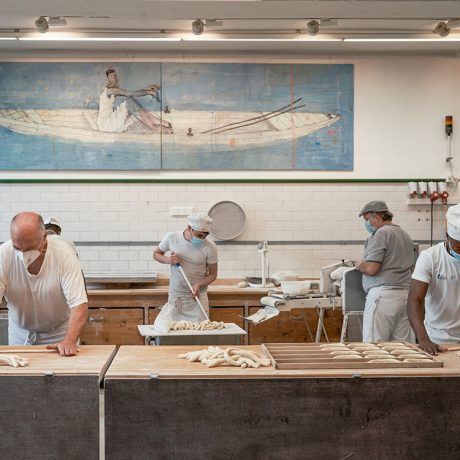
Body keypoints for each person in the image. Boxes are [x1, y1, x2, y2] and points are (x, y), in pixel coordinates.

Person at [0, 212, 88, 356]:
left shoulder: (63, 254)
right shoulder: (3, 255)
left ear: (44, 237)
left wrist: (70, 340)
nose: (23, 255)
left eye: (29, 249)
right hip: (20, 334)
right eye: (17, 248)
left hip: (59, 335)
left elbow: (79, 304)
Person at [355, 201, 415, 342]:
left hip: (384, 297)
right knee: (402, 347)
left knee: (375, 346)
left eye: (367, 220)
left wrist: (359, 265)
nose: (367, 224)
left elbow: (371, 269)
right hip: (405, 295)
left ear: (376, 217)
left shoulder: (381, 233)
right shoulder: (404, 234)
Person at [408, 203, 460, 355]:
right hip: (438, 341)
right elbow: (414, 300)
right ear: (447, 236)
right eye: (459, 248)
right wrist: (423, 338)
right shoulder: (430, 258)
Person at [153, 212, 218, 322]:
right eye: (199, 235)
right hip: (177, 296)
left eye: (205, 235)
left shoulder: (210, 247)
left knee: (200, 331)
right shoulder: (172, 237)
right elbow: (156, 254)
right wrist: (168, 260)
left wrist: (198, 285)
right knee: (175, 331)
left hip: (198, 298)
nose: (202, 238)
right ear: (189, 228)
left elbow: (213, 274)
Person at [96, 67, 173, 134]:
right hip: (106, 124)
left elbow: (133, 93)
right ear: (107, 77)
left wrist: (149, 88)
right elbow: (131, 93)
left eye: (115, 75)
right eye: (111, 76)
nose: (114, 78)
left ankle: (156, 122)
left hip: (108, 120)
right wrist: (149, 92)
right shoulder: (111, 90)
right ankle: (155, 127)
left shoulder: (111, 90)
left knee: (130, 101)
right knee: (129, 102)